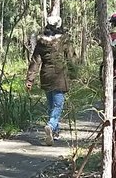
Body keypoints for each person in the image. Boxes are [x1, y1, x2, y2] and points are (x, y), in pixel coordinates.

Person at [25, 14, 77, 144]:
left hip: (46, 76)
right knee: (58, 105)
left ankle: (55, 132)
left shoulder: (41, 42)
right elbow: (71, 59)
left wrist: (30, 80)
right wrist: (74, 74)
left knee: (51, 105)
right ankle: (51, 125)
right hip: (60, 76)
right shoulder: (64, 40)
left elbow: (35, 62)